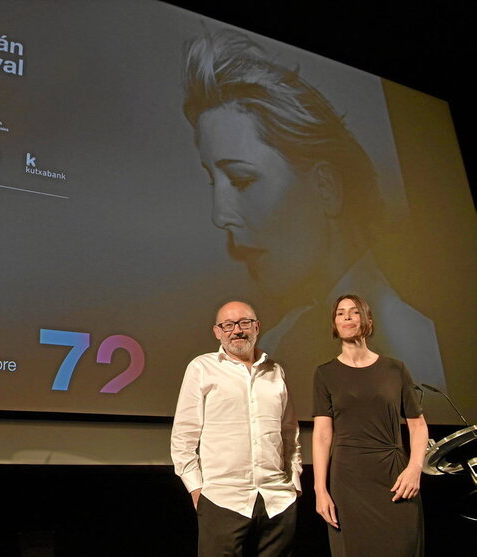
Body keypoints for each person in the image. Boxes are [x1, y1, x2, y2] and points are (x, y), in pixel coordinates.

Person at [181, 29, 445, 411]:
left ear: (325, 187)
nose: (219, 215)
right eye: (213, 180)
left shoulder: (420, 350)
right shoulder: (275, 345)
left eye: (242, 179)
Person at [171, 300, 301, 557]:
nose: (237, 330)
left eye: (244, 323)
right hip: (222, 499)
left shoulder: (275, 371)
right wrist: (197, 489)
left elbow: (289, 433)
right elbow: (183, 437)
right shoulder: (202, 368)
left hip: (278, 500)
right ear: (217, 332)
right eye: (228, 325)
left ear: (256, 327)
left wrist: (293, 482)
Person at [312, 294, 428, 556]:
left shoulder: (395, 369)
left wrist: (415, 468)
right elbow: (321, 435)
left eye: (354, 312)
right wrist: (320, 489)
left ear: (368, 321)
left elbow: (418, 425)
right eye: (340, 313)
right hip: (348, 480)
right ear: (334, 323)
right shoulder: (325, 373)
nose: (347, 317)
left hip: (395, 477)